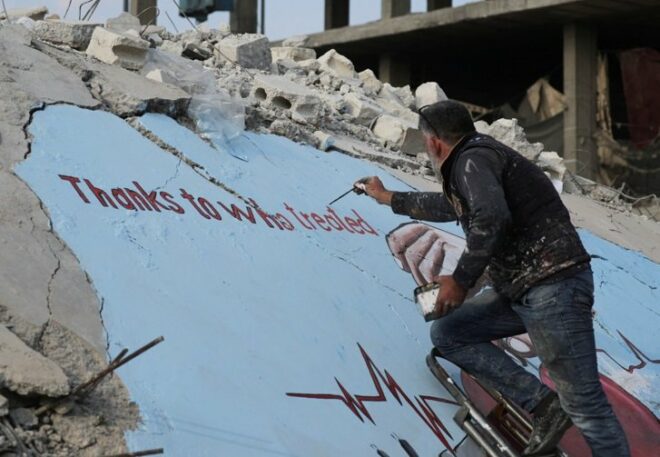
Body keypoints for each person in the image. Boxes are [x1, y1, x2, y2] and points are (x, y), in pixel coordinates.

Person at [355, 100, 630, 456]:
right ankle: (544, 404)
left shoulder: (472, 161)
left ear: (434, 142)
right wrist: (387, 197)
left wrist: (461, 280)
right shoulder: (477, 161)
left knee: (586, 406)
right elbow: (451, 206)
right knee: (450, 332)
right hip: (524, 287)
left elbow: (491, 217)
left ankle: (565, 412)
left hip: (552, 285)